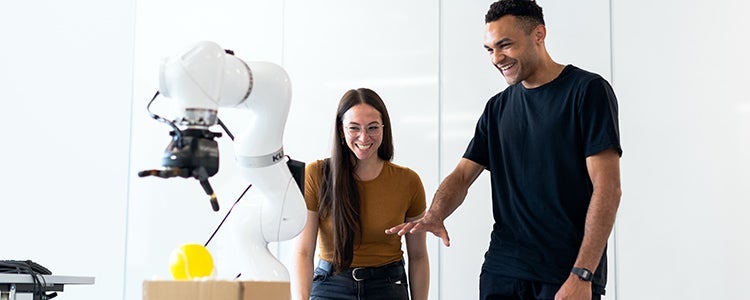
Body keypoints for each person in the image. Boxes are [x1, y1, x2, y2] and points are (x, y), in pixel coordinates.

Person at [386, 0, 622, 299]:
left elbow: (608, 188)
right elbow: (462, 175)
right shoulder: (497, 108)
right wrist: (436, 212)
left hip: (565, 273)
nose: (497, 58)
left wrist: (583, 273)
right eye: (489, 49)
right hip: (503, 271)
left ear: (539, 34)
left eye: (505, 45)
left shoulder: (587, 91)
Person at [293, 88, 429, 300]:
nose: (364, 137)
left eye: (372, 127)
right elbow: (304, 252)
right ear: (341, 130)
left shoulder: (408, 181)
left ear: (384, 128)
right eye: (354, 128)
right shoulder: (317, 175)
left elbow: (419, 256)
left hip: (388, 285)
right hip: (331, 285)